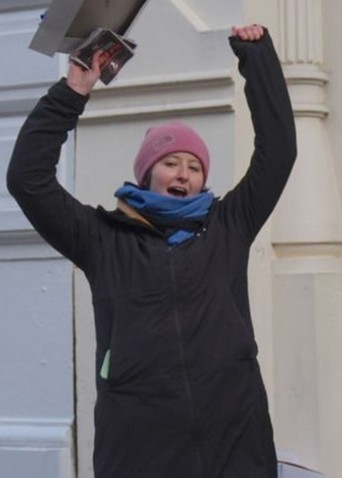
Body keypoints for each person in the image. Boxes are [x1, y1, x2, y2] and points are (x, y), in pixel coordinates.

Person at [7, 25, 296, 478]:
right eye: (170, 163)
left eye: (194, 167)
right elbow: (28, 179)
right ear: (147, 174)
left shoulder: (228, 225)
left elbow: (277, 153)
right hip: (140, 448)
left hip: (234, 438)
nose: (183, 174)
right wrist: (74, 90)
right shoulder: (102, 238)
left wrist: (256, 59)